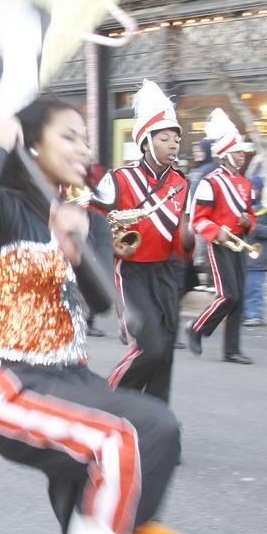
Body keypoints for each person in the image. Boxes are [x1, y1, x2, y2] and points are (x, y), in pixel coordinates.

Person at [0, 97, 180, 534]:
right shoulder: (6, 208)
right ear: (31, 142)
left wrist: (77, 248)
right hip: (14, 383)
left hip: (74, 381)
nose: (84, 148)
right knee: (134, 434)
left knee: (110, 501)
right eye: (69, 136)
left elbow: (100, 302)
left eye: (86, 137)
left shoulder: (88, 219)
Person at [93, 80, 191, 404]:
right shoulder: (119, 179)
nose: (173, 144)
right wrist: (113, 244)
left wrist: (189, 240)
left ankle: (156, 424)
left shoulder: (181, 184)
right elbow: (90, 221)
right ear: (146, 142)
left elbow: (179, 240)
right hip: (130, 273)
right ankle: (108, 404)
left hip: (165, 274)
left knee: (165, 357)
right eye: (164, 138)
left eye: (176, 138)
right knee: (150, 348)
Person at [186, 109, 257, 364]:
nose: (243, 156)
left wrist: (249, 222)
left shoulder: (246, 184)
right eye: (238, 152)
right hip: (219, 243)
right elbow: (199, 219)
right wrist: (218, 233)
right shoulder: (210, 182)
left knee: (239, 299)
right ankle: (196, 328)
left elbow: (250, 213)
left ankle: (232, 349)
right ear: (226, 154)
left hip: (240, 242)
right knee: (230, 295)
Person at [242, 175, 267, 327]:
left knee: (254, 288)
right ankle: (243, 314)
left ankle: (255, 314)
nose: (251, 192)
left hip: (257, 259)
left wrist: (252, 226)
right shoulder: (242, 209)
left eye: (254, 189)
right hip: (244, 258)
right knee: (243, 288)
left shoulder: (264, 211)